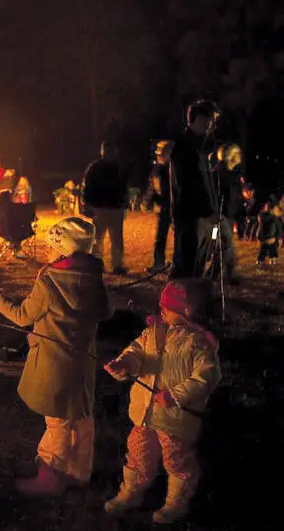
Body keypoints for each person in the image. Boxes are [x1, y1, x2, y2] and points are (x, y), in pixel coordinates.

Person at [0, 217, 111, 496]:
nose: (46, 252)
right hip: (82, 361)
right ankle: (78, 471)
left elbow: (22, 316)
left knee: (58, 420)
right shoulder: (93, 278)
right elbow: (105, 312)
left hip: (54, 361)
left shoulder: (50, 281)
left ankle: (50, 477)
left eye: (51, 247)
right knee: (81, 415)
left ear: (64, 249)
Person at [103, 280, 221, 524]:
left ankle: (176, 502)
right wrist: (123, 364)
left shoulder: (196, 343)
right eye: (162, 305)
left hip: (175, 419)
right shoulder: (152, 333)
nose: (162, 309)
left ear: (187, 312)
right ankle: (130, 493)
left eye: (169, 306)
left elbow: (206, 377)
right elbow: (135, 353)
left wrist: (175, 395)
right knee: (138, 454)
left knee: (176, 458)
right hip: (145, 415)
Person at [169, 100, 220, 279]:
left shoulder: (196, 147)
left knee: (196, 261)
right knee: (186, 263)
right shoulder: (184, 148)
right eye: (209, 121)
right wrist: (207, 211)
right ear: (198, 119)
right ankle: (177, 300)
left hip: (198, 216)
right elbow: (189, 185)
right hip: (190, 216)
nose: (210, 126)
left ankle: (190, 299)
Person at [82, 140, 129, 275]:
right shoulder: (103, 167)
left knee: (105, 238)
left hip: (108, 207)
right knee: (103, 238)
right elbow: (88, 187)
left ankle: (109, 264)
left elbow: (87, 187)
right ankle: (112, 264)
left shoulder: (98, 167)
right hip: (105, 207)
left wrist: (87, 203)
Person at [212, 143, 243, 283]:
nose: (240, 157)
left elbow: (235, 198)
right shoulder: (220, 174)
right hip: (220, 216)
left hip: (226, 216)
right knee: (225, 244)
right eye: (237, 154)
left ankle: (214, 272)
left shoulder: (232, 175)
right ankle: (227, 275)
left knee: (220, 244)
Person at [145, 141, 173, 273]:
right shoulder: (157, 170)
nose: (160, 156)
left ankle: (180, 264)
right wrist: (149, 201)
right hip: (165, 207)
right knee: (160, 237)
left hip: (175, 207)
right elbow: (153, 187)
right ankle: (158, 263)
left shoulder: (175, 169)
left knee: (180, 237)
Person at [257, 202, 283, 266]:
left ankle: (273, 259)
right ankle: (261, 260)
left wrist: (280, 236)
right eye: (266, 207)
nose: (267, 208)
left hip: (272, 236)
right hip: (265, 236)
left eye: (268, 207)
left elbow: (278, 226)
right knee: (264, 249)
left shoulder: (274, 217)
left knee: (272, 249)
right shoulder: (262, 215)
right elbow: (263, 222)